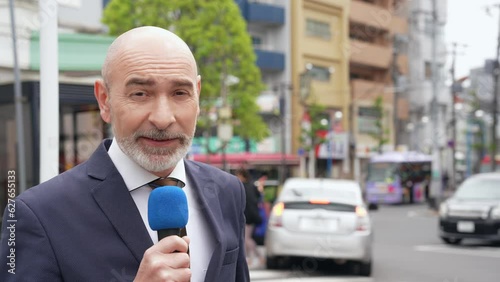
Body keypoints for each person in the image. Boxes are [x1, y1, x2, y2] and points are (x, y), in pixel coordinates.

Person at [0, 26, 249, 282]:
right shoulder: (39, 215)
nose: (163, 118)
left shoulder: (227, 191)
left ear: (198, 95)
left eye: (180, 93)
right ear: (104, 100)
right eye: (140, 94)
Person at [235, 168, 263, 268]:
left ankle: (257, 257)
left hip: (248, 216)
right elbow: (258, 197)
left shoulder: (243, 187)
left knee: (246, 238)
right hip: (253, 215)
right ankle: (252, 258)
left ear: (242, 176)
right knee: (246, 238)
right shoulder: (252, 185)